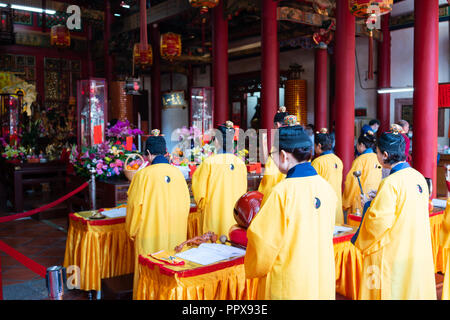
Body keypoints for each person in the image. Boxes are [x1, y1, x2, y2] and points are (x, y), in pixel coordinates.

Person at [245, 125, 337, 300]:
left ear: (283, 155)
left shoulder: (281, 192)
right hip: (320, 276)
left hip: (289, 280)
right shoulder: (326, 188)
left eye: (273, 156)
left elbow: (263, 242)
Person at [352, 128, 436, 300]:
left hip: (395, 250)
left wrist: (367, 205)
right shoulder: (418, 176)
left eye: (377, 153)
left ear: (384, 154)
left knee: (395, 290)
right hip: (415, 246)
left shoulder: (390, 183)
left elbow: (378, 222)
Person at [126, 129, 191, 299]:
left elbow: (134, 207)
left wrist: (131, 232)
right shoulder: (178, 173)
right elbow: (186, 205)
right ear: (166, 152)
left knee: (150, 275)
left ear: (147, 153)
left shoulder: (142, 175)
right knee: (172, 275)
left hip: (150, 237)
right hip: (176, 235)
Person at [191, 120, 248, 237]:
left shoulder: (209, 163)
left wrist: (201, 206)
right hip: (234, 218)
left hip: (214, 216)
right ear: (232, 140)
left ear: (216, 141)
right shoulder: (240, 164)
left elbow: (199, 194)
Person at [342, 131, 382, 216]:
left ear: (362, 145)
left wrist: (346, 203)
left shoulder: (360, 160)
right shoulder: (378, 158)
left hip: (360, 200)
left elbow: (352, 182)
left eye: (357, 145)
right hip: (374, 198)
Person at [312, 128, 344, 224]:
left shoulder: (317, 162)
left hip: (323, 203)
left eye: (315, 145)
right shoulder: (338, 160)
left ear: (319, 145)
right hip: (337, 202)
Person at [258, 107, 288, 202]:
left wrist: (262, 196)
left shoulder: (278, 145)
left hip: (278, 196)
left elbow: (271, 175)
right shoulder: (299, 143)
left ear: (277, 125)